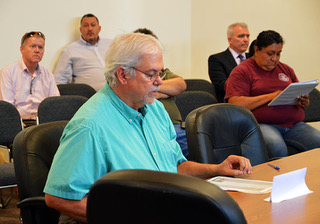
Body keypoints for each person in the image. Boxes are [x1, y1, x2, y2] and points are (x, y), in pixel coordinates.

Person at [44, 33, 252, 224]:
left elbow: (174, 168)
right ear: (123, 75)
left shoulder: (156, 110)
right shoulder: (90, 125)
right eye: (151, 74)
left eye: (160, 73)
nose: (159, 82)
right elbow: (59, 199)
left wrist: (216, 169)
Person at [225, 30, 320, 158]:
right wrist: (271, 96)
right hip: (262, 124)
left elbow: (301, 98)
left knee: (317, 140)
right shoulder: (242, 71)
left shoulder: (286, 69)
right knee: (276, 146)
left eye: (278, 54)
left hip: (293, 125)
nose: (274, 59)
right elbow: (235, 104)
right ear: (257, 50)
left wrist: (303, 101)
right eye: (270, 54)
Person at [133, 28, 189, 158]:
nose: (157, 80)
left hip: (175, 127)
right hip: (151, 128)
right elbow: (139, 93)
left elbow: (180, 85)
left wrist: (154, 90)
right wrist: (166, 91)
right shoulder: (132, 74)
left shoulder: (164, 72)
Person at [0, 31, 60, 127]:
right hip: (17, 123)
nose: (37, 50)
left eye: (40, 47)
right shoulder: (8, 72)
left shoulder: (48, 75)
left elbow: (54, 104)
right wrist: (18, 124)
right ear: (22, 49)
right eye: (33, 46)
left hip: (42, 124)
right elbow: (8, 108)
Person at [54, 13, 112, 91]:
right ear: (81, 30)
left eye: (93, 25)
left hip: (116, 94)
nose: (90, 28)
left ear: (99, 28)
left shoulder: (111, 44)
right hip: (89, 98)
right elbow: (60, 80)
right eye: (86, 25)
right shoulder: (70, 50)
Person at [208, 22, 250, 102]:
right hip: (228, 104)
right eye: (241, 36)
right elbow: (222, 85)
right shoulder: (216, 59)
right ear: (230, 40)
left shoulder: (253, 58)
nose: (246, 40)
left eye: (247, 36)